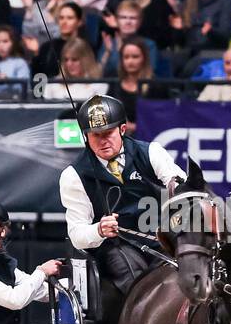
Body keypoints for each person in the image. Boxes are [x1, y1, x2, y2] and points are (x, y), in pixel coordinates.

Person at [58, 94, 185, 295]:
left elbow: (179, 184)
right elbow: (76, 234)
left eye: (108, 133)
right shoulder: (73, 175)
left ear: (122, 129)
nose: (103, 141)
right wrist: (98, 230)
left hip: (160, 236)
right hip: (116, 245)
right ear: (85, 137)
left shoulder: (151, 152)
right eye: (95, 135)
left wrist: (176, 190)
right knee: (135, 277)